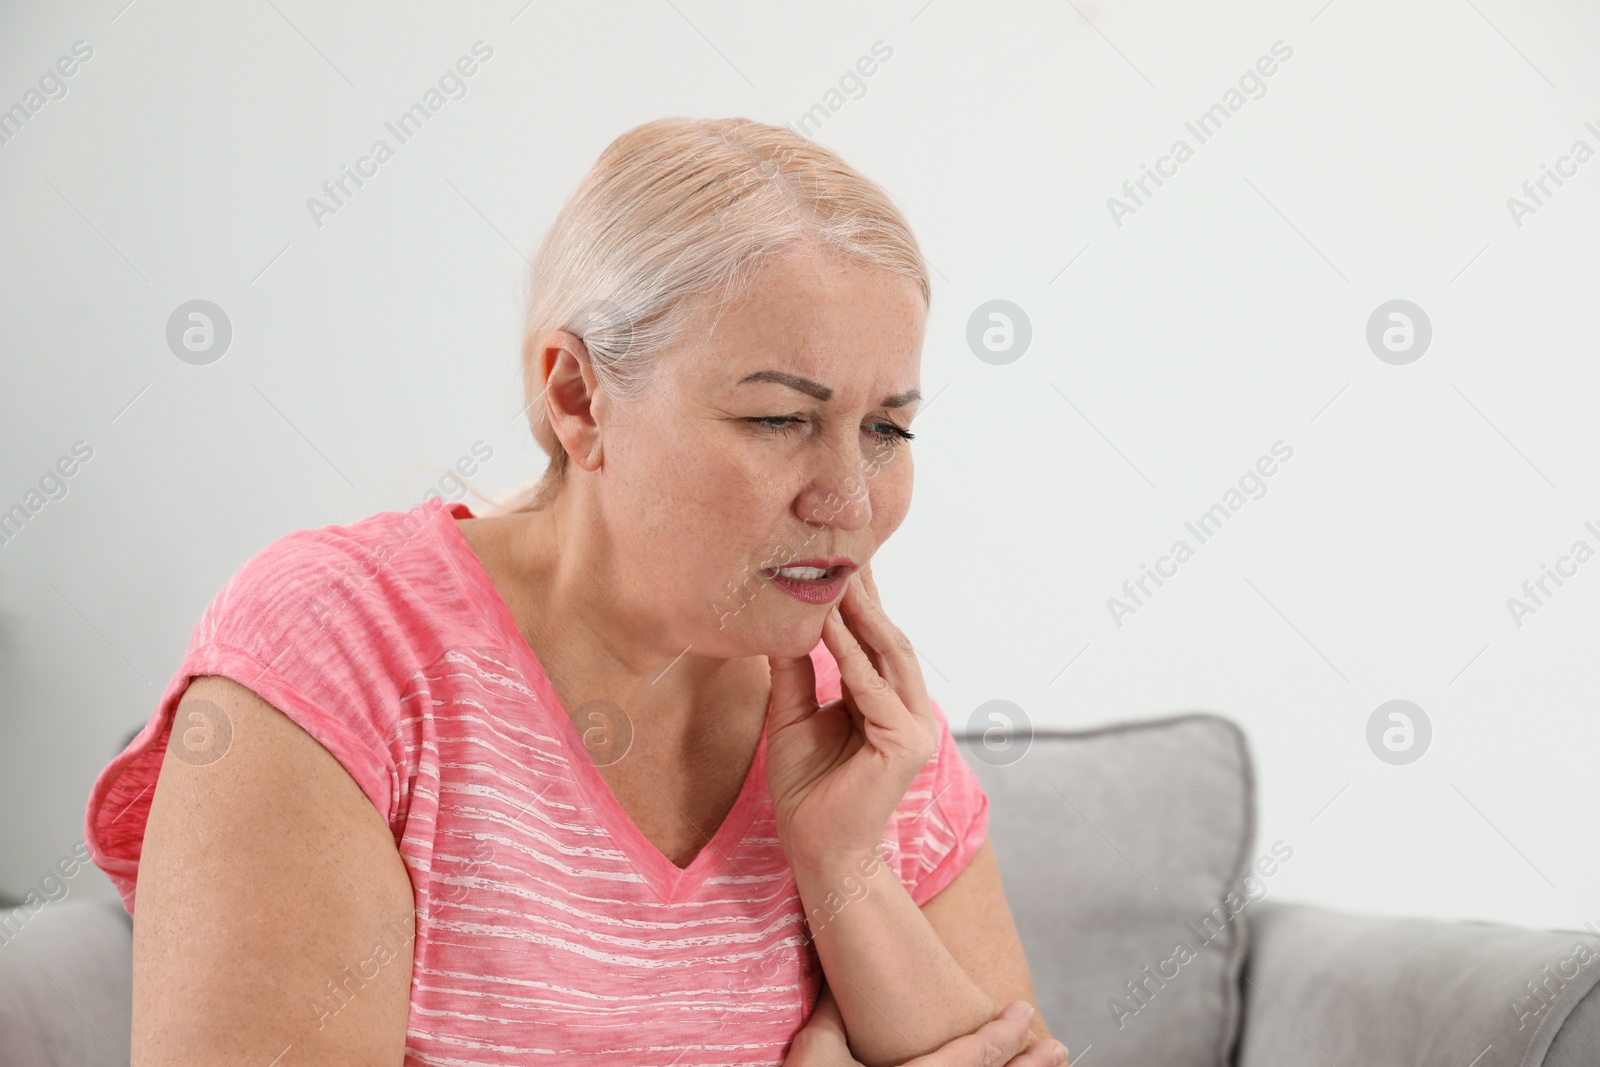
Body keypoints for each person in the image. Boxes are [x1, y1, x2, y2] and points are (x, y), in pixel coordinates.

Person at [83, 116, 1068, 1067]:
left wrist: (845, 869)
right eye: (777, 418)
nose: (849, 497)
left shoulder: (867, 732)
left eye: (888, 429)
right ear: (576, 398)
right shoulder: (339, 646)